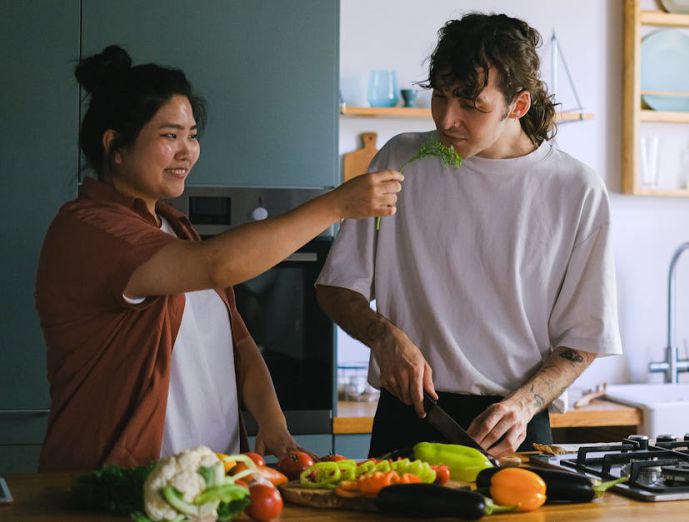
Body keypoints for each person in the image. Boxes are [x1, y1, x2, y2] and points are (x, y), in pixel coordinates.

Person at [35, 45, 403, 471]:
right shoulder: (90, 229)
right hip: (127, 484)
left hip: (213, 483)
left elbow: (240, 345)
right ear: (115, 147)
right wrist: (335, 205)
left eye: (192, 135)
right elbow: (218, 264)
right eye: (169, 136)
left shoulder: (176, 228)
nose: (187, 151)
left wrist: (273, 421)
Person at [316, 13, 621, 458]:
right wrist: (384, 337)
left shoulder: (575, 189)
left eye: (471, 104)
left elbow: (583, 340)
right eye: (440, 96)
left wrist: (523, 405)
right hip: (408, 416)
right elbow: (337, 287)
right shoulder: (401, 159)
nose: (447, 119)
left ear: (517, 105)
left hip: (514, 427)